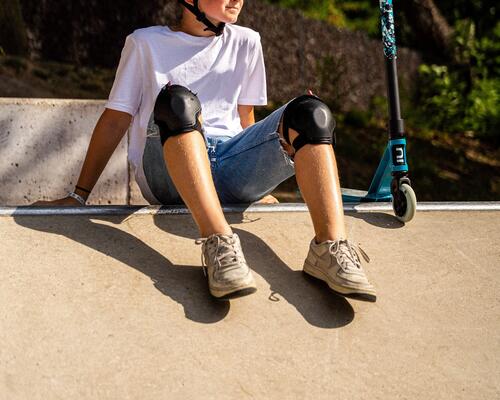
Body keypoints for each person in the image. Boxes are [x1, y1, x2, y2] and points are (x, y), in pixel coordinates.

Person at [33, 0, 376, 302]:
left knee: (311, 113)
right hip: (169, 167)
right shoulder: (144, 43)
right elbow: (114, 121)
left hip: (229, 163)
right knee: (177, 101)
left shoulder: (247, 42)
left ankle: (329, 247)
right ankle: (219, 242)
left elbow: (247, 122)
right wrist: (79, 196)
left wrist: (259, 183)